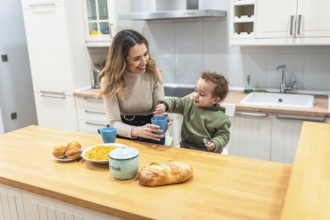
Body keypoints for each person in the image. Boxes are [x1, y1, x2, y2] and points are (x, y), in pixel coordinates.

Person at [98, 29, 166, 144]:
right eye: (136, 58)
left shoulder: (153, 73)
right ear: (121, 60)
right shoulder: (110, 81)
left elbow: (159, 111)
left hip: (151, 133)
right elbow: (114, 122)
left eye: (145, 54)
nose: (144, 62)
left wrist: (163, 119)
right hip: (123, 134)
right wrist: (137, 131)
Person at [154, 71, 230, 153]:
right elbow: (176, 102)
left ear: (215, 100)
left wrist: (215, 143)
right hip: (186, 148)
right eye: (196, 90)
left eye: (202, 94)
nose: (196, 95)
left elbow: (224, 135)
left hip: (207, 153)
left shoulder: (221, 118)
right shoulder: (188, 104)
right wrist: (165, 105)